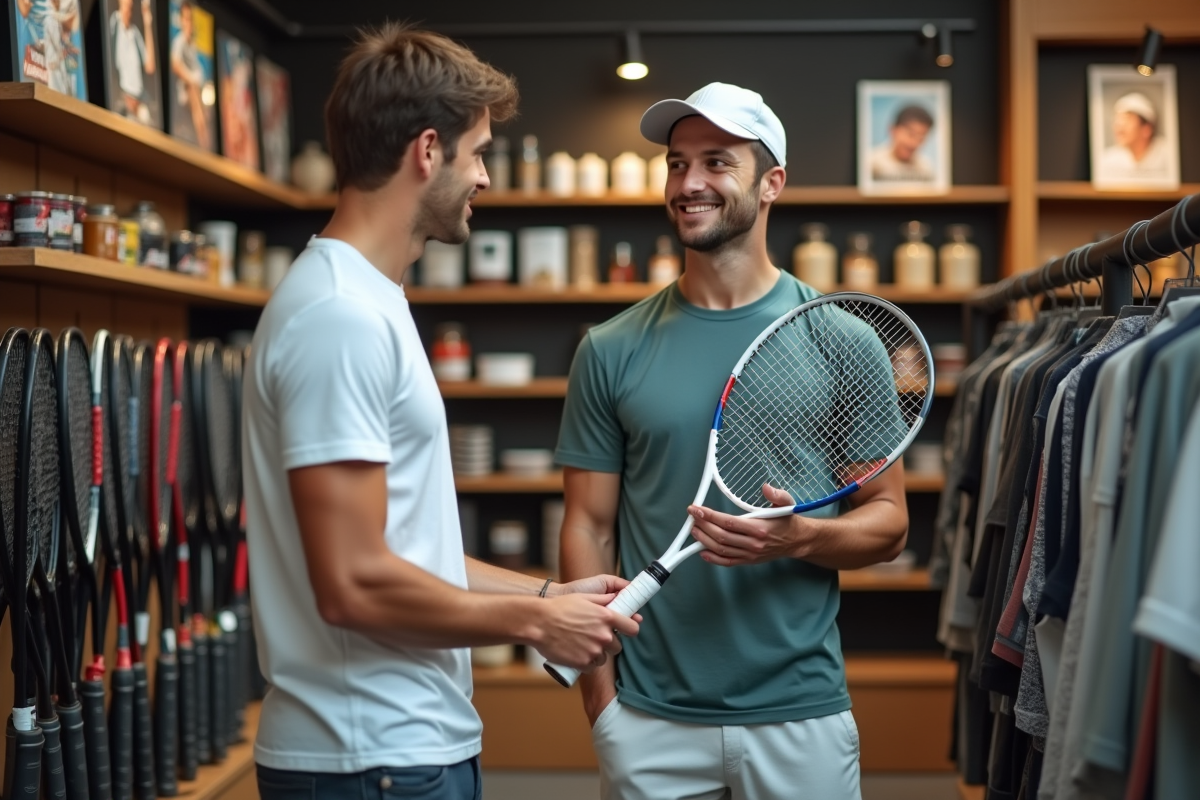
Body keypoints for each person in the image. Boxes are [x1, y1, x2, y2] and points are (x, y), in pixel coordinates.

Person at [243, 24, 640, 800]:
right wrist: (536, 628)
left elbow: (400, 554)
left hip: (393, 752)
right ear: (428, 151)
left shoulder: (367, 301)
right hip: (371, 761)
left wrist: (543, 595)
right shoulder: (340, 317)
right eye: (480, 152)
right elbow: (354, 585)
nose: (486, 178)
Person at [557, 82, 909, 800]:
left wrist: (799, 539)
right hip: (649, 719)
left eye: (717, 162)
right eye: (677, 163)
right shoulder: (609, 347)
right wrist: (602, 707)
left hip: (801, 717)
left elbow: (890, 522)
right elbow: (587, 525)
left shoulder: (846, 340)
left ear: (771, 182)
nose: (689, 184)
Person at [1097, 91, 1172, 178]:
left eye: (1127, 119)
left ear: (1146, 129)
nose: (1118, 125)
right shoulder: (1108, 160)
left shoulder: (1168, 155)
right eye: (1117, 119)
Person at [170, 1, 210, 149]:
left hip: (198, 93)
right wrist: (192, 79)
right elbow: (175, 64)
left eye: (190, 19)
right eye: (185, 19)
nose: (188, 23)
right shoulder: (178, 41)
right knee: (193, 90)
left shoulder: (192, 46)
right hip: (185, 93)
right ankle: (204, 145)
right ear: (181, 21)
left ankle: (207, 144)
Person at [109, 0, 156, 122]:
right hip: (123, 98)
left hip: (139, 99)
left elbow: (150, 66)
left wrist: (147, 23)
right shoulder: (115, 22)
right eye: (125, 5)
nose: (128, 9)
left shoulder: (135, 33)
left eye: (130, 6)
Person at [869, 103, 935, 181]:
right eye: (911, 134)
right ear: (893, 129)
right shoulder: (872, 163)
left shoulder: (925, 168)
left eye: (921, 138)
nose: (914, 143)